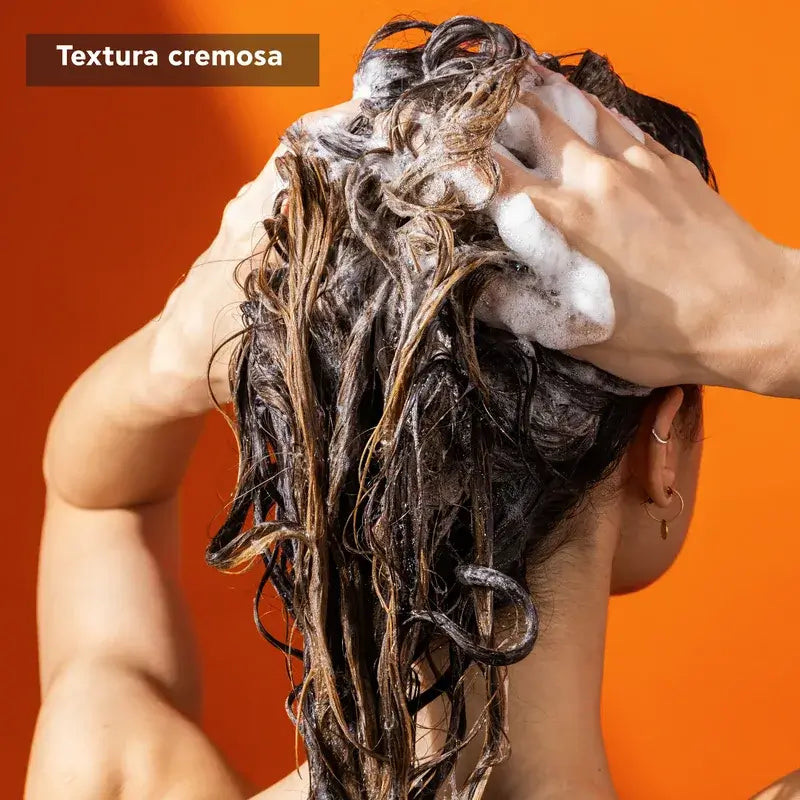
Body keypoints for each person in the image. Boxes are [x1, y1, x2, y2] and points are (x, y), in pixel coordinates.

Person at [24, 16, 800, 800]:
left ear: (315, 438)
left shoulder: (112, 769)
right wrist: (766, 309)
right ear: (661, 449)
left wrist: (172, 351)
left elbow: (101, 499)